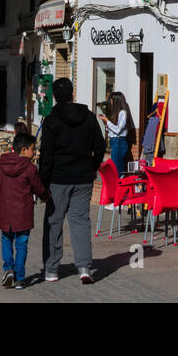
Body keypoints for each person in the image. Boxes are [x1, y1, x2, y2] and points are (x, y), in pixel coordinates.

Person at [39, 77, 105, 284]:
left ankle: (51, 269)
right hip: (83, 178)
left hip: (58, 178)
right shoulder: (89, 117)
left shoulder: (50, 120)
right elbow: (101, 146)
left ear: (55, 97)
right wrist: (92, 167)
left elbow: (46, 155)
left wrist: (42, 181)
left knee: (53, 222)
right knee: (80, 221)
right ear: (72, 93)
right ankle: (84, 267)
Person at [0, 132, 49, 289]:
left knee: (6, 240)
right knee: (22, 244)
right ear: (23, 150)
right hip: (23, 213)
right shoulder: (30, 168)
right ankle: (20, 277)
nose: (34, 152)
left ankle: (8, 269)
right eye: (32, 149)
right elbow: (38, 188)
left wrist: (1, 201)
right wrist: (46, 196)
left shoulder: (1, 165)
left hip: (5, 212)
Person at [97, 92, 135, 176]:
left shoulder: (123, 113)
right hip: (115, 142)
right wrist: (106, 123)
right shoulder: (117, 113)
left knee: (117, 169)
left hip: (119, 142)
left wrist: (107, 121)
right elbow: (112, 129)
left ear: (116, 101)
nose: (111, 102)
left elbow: (118, 130)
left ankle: (119, 187)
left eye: (111, 100)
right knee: (115, 168)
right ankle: (118, 186)